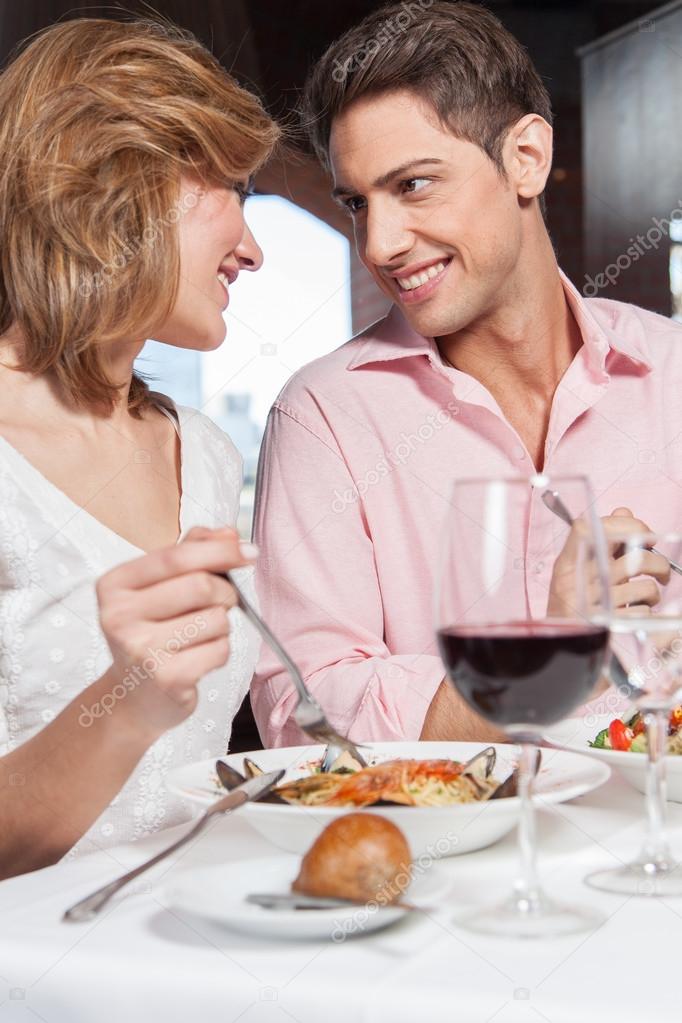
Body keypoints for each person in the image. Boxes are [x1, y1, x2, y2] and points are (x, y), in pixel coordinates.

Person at [251, 0, 681, 748]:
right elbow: (303, 717)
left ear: (526, 159)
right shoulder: (323, 416)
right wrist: (542, 648)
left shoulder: (671, 371)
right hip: (449, 857)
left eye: (414, 185)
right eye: (358, 202)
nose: (380, 243)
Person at [0, 16, 279, 878]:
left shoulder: (203, 450)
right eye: (233, 186)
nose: (254, 249)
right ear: (122, 181)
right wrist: (125, 707)